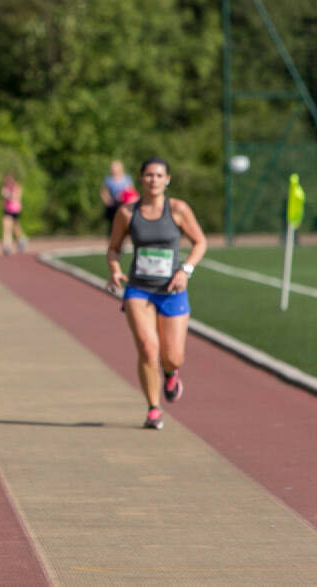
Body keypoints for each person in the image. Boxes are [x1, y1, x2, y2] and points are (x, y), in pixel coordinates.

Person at [106, 158, 207, 430]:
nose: (154, 180)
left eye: (159, 175)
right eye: (149, 175)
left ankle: (171, 374)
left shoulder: (178, 210)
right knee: (148, 349)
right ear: (140, 179)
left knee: (172, 356)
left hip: (171, 290)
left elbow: (200, 242)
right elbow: (114, 247)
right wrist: (114, 268)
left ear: (167, 180)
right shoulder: (127, 213)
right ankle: (153, 408)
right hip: (139, 289)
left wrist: (185, 270)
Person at [100, 160, 135, 228]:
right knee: (113, 224)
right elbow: (103, 192)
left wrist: (123, 196)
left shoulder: (127, 178)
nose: (115, 171)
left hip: (125, 204)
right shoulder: (109, 180)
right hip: (113, 205)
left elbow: (132, 190)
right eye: (113, 169)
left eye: (116, 169)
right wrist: (107, 200)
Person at [0, 173, 28, 255]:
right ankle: (7, 246)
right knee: (6, 228)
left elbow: (16, 197)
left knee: (16, 229)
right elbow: (3, 197)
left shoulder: (17, 187)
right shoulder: (5, 188)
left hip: (15, 210)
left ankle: (22, 239)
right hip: (7, 211)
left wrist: (9, 195)